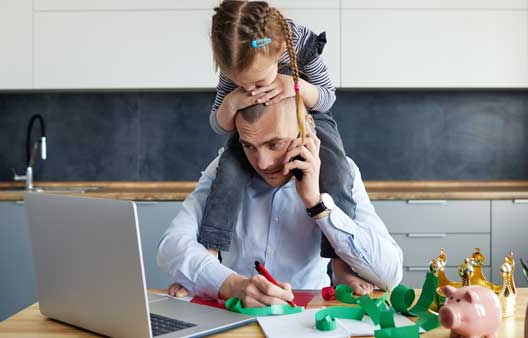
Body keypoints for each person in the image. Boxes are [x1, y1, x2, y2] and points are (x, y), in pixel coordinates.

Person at [157, 97, 403, 306]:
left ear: (306, 126)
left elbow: (390, 274)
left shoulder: (341, 171)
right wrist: (229, 285)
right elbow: (171, 246)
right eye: (249, 146)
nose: (262, 162)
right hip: (237, 315)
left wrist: (317, 204)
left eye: (274, 144)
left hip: (310, 319)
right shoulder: (224, 171)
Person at [197, 0, 363, 287]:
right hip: (256, 129)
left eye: (258, 80)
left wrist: (295, 86)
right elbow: (218, 123)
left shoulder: (297, 43)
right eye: (242, 83)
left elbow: (327, 96)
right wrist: (233, 101)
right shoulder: (235, 57)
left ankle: (340, 262)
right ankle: (210, 250)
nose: (251, 89)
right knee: (230, 168)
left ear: (277, 52)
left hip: (308, 116)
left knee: (336, 168)